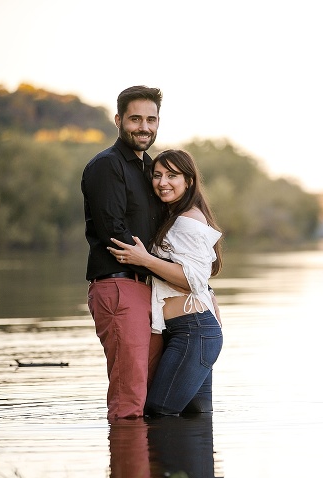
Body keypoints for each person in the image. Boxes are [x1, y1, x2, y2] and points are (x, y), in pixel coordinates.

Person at [108, 149, 224, 415]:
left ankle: (152, 457)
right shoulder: (178, 218)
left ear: (189, 181)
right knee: (197, 419)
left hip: (192, 332)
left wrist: (144, 259)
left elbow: (192, 280)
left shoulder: (187, 221)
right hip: (193, 329)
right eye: (157, 175)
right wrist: (211, 299)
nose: (163, 182)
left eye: (172, 175)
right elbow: (200, 276)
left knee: (158, 412)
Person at [82, 85, 166, 421]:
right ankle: (127, 476)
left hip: (148, 286)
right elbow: (113, 230)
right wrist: (167, 268)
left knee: (151, 390)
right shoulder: (107, 165)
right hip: (118, 287)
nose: (144, 126)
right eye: (135, 119)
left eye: (151, 119)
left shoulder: (148, 170)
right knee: (129, 395)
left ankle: (156, 473)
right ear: (118, 120)